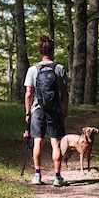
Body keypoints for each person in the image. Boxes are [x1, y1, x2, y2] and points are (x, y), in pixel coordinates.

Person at [24, 34, 69, 186]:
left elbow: (29, 93)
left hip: (37, 109)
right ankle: (57, 177)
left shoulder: (32, 69)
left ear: (40, 51)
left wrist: (28, 112)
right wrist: (64, 109)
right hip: (55, 109)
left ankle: (37, 175)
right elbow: (64, 93)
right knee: (55, 143)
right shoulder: (59, 69)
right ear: (52, 51)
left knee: (38, 142)